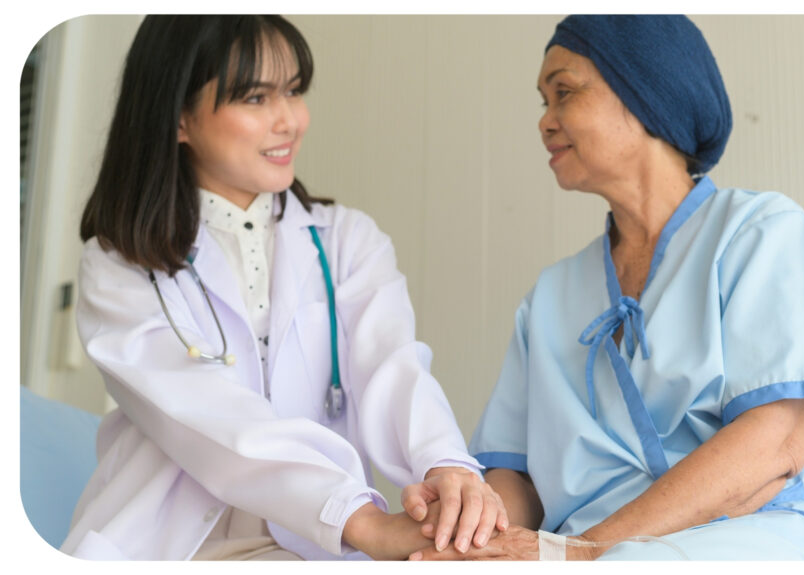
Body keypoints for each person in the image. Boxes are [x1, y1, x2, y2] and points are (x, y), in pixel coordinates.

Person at [410, 15, 804, 561]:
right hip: (579, 551)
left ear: (644, 94)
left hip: (766, 531)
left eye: (563, 92)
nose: (545, 122)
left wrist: (581, 551)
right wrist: (462, 534)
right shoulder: (551, 296)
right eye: (543, 102)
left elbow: (776, 444)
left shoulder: (761, 233)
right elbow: (519, 480)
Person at [60, 15, 506, 561]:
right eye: (255, 97)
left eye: (294, 91)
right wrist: (359, 519)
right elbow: (203, 413)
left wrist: (447, 466)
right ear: (178, 116)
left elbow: (394, 368)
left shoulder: (346, 241)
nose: (290, 119)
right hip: (167, 544)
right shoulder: (120, 265)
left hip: (311, 544)